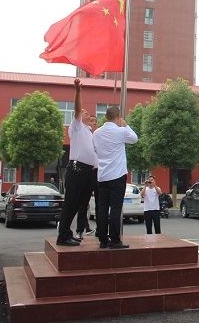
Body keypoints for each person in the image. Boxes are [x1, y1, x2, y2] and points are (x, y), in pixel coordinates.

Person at [56, 79, 98, 247]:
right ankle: (63, 235)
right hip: (77, 169)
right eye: (84, 112)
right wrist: (78, 92)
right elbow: (77, 108)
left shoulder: (90, 132)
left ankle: (69, 232)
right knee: (71, 202)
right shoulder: (77, 126)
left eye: (87, 113)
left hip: (89, 172)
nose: (86, 113)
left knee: (81, 203)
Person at [92, 105, 138, 249]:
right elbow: (134, 139)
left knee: (102, 208)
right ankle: (115, 240)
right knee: (116, 208)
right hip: (117, 175)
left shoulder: (97, 133)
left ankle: (102, 240)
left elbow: (95, 149)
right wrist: (125, 125)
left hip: (102, 175)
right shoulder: (121, 131)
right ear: (118, 117)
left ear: (106, 117)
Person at [75, 114, 99, 240]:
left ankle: (100, 229)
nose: (94, 123)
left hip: (99, 172)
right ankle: (80, 230)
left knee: (101, 202)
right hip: (88, 171)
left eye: (96, 121)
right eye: (92, 121)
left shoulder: (99, 136)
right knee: (83, 202)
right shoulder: (86, 135)